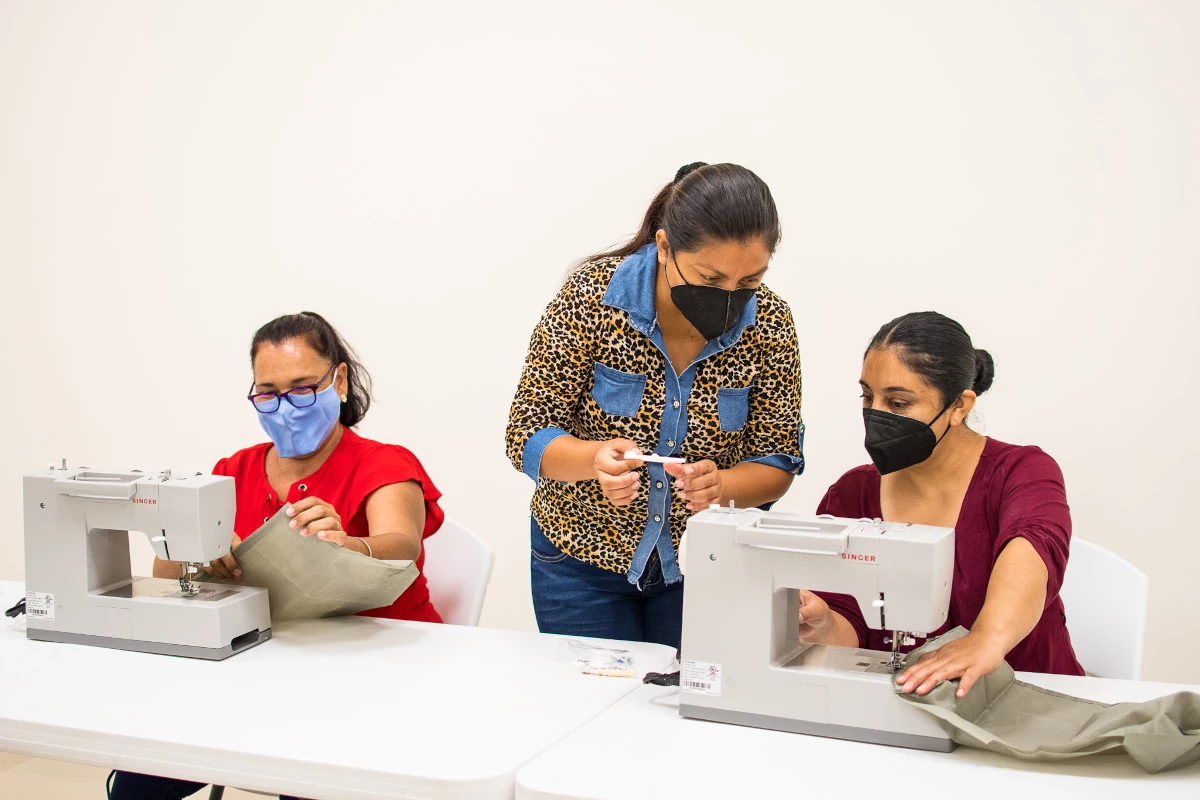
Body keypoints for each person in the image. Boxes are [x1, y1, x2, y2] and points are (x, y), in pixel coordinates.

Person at [109, 311, 444, 800]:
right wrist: (195, 554)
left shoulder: (384, 463)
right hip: (263, 672)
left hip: (373, 672)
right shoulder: (232, 470)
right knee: (140, 781)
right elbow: (163, 575)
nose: (285, 406)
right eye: (268, 392)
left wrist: (346, 542)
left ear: (341, 380)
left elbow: (400, 545)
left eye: (303, 387)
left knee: (305, 781)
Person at [506, 162, 805, 649]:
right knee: (593, 710)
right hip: (579, 564)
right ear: (665, 248)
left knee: (688, 714)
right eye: (711, 277)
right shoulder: (592, 297)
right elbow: (527, 430)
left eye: (750, 281)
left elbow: (778, 460)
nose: (730, 298)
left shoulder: (769, 323)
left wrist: (722, 486)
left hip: (702, 566)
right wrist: (592, 460)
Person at [798, 311, 1083, 699]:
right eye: (868, 396)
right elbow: (852, 626)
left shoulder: (1022, 472)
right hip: (909, 706)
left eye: (898, 403)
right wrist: (823, 625)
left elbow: (1033, 550)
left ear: (959, 406)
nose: (876, 414)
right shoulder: (851, 494)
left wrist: (985, 638)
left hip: (1029, 698)